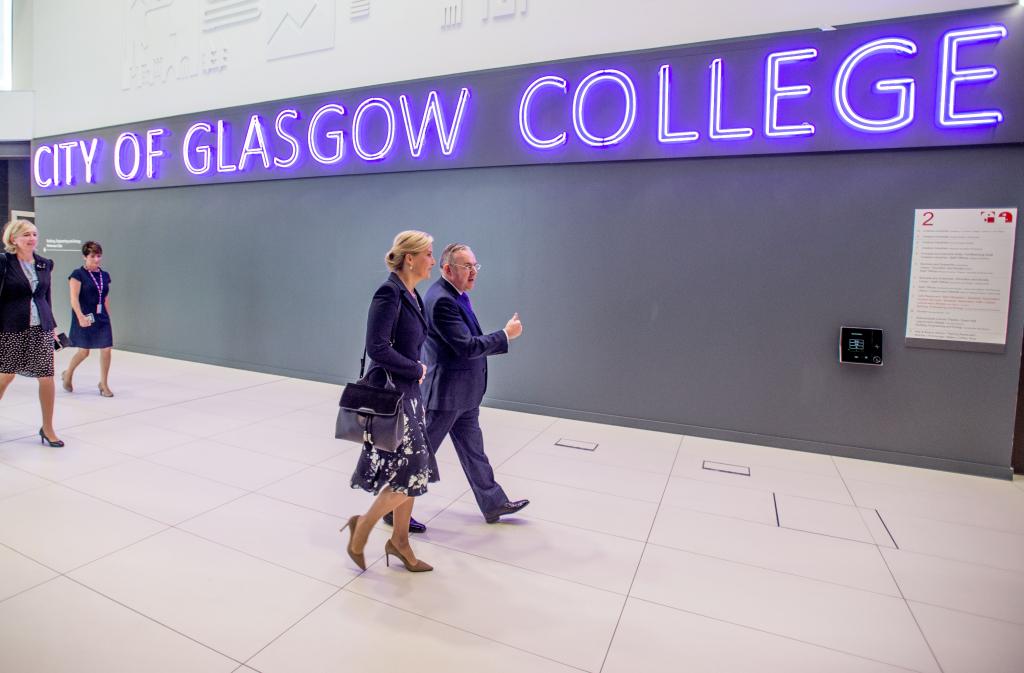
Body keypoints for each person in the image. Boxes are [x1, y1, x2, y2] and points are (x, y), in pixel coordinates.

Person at [344, 230, 437, 573]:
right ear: (410, 258)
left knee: (410, 470)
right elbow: (377, 347)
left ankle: (399, 541)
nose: (432, 260)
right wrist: (415, 368)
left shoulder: (412, 294)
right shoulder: (389, 292)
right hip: (395, 395)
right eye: (428, 253)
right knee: (412, 471)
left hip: (409, 393)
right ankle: (363, 528)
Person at [420, 243, 528, 525]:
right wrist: (505, 335)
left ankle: (493, 504)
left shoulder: (455, 295)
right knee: (419, 454)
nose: (473, 273)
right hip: (445, 395)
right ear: (447, 269)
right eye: (467, 267)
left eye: (475, 266)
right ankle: (392, 511)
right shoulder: (442, 300)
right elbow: (466, 347)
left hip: (463, 394)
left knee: (474, 451)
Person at [0, 220, 64, 447]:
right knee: (5, 375)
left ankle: (48, 428)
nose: (31, 238)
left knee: (46, 377)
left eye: (34, 234)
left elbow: (46, 296)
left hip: (41, 328)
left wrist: (53, 327)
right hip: (11, 326)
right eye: (26, 234)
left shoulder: (45, 264)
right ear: (13, 238)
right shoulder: (4, 262)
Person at [62, 241, 114, 397]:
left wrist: (108, 316)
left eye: (99, 256)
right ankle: (68, 373)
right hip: (84, 316)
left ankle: (103, 383)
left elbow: (104, 297)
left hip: (101, 317)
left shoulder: (105, 275)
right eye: (92, 256)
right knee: (84, 352)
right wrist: (80, 317)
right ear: (84, 256)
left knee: (106, 349)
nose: (96, 259)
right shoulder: (77, 274)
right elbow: (74, 298)